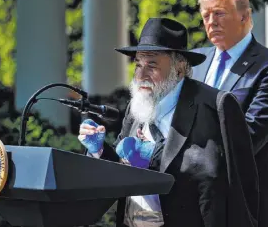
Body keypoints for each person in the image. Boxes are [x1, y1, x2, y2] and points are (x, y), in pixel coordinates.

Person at [78, 18, 258, 227]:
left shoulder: (215, 106)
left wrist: (152, 159)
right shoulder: (137, 105)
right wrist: (99, 150)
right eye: (138, 65)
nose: (141, 75)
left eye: (152, 65)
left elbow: (236, 182)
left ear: (179, 68)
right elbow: (123, 167)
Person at [192, 0, 268, 227]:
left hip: (248, 196)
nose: (211, 22)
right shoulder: (194, 62)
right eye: (206, 15)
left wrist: (187, 149)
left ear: (245, 16)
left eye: (219, 13)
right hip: (197, 196)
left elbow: (250, 134)